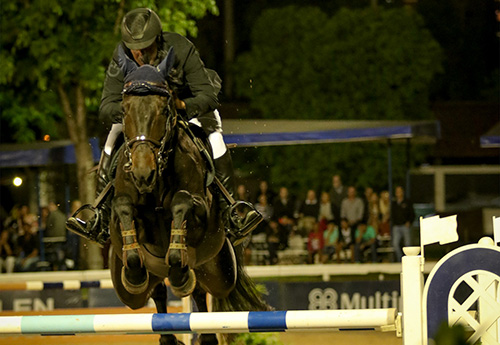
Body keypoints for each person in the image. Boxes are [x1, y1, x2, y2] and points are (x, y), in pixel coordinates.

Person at [67, 8, 261, 245]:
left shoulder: (180, 48)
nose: (139, 53)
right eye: (134, 48)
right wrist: (133, 113)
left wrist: (180, 104)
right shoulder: (121, 57)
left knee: (215, 138)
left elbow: (208, 96)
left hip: (186, 107)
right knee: (112, 137)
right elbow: (107, 105)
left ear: (157, 39)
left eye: (146, 47)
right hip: (143, 119)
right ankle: (99, 216)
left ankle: (231, 212)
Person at [391, 186, 415, 262]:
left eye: (400, 191)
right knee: (395, 244)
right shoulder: (394, 203)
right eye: (397, 191)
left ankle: (409, 260)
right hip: (396, 226)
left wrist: (409, 222)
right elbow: (392, 214)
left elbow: (412, 214)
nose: (398, 193)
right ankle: (400, 260)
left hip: (405, 226)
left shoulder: (407, 202)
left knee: (408, 244)